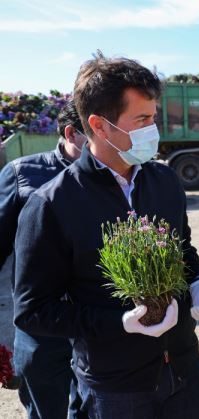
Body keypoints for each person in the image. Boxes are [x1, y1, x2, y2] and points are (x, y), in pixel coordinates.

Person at [13, 53, 199, 419]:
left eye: (153, 117)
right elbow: (33, 312)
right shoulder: (52, 205)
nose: (153, 130)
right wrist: (118, 324)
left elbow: (182, 248)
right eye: (142, 120)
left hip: (183, 371)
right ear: (100, 124)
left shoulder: (165, 182)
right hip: (115, 387)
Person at [0, 100, 87, 419]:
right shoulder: (23, 174)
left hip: (94, 323)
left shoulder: (110, 178)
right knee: (44, 410)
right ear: (72, 134)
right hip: (41, 329)